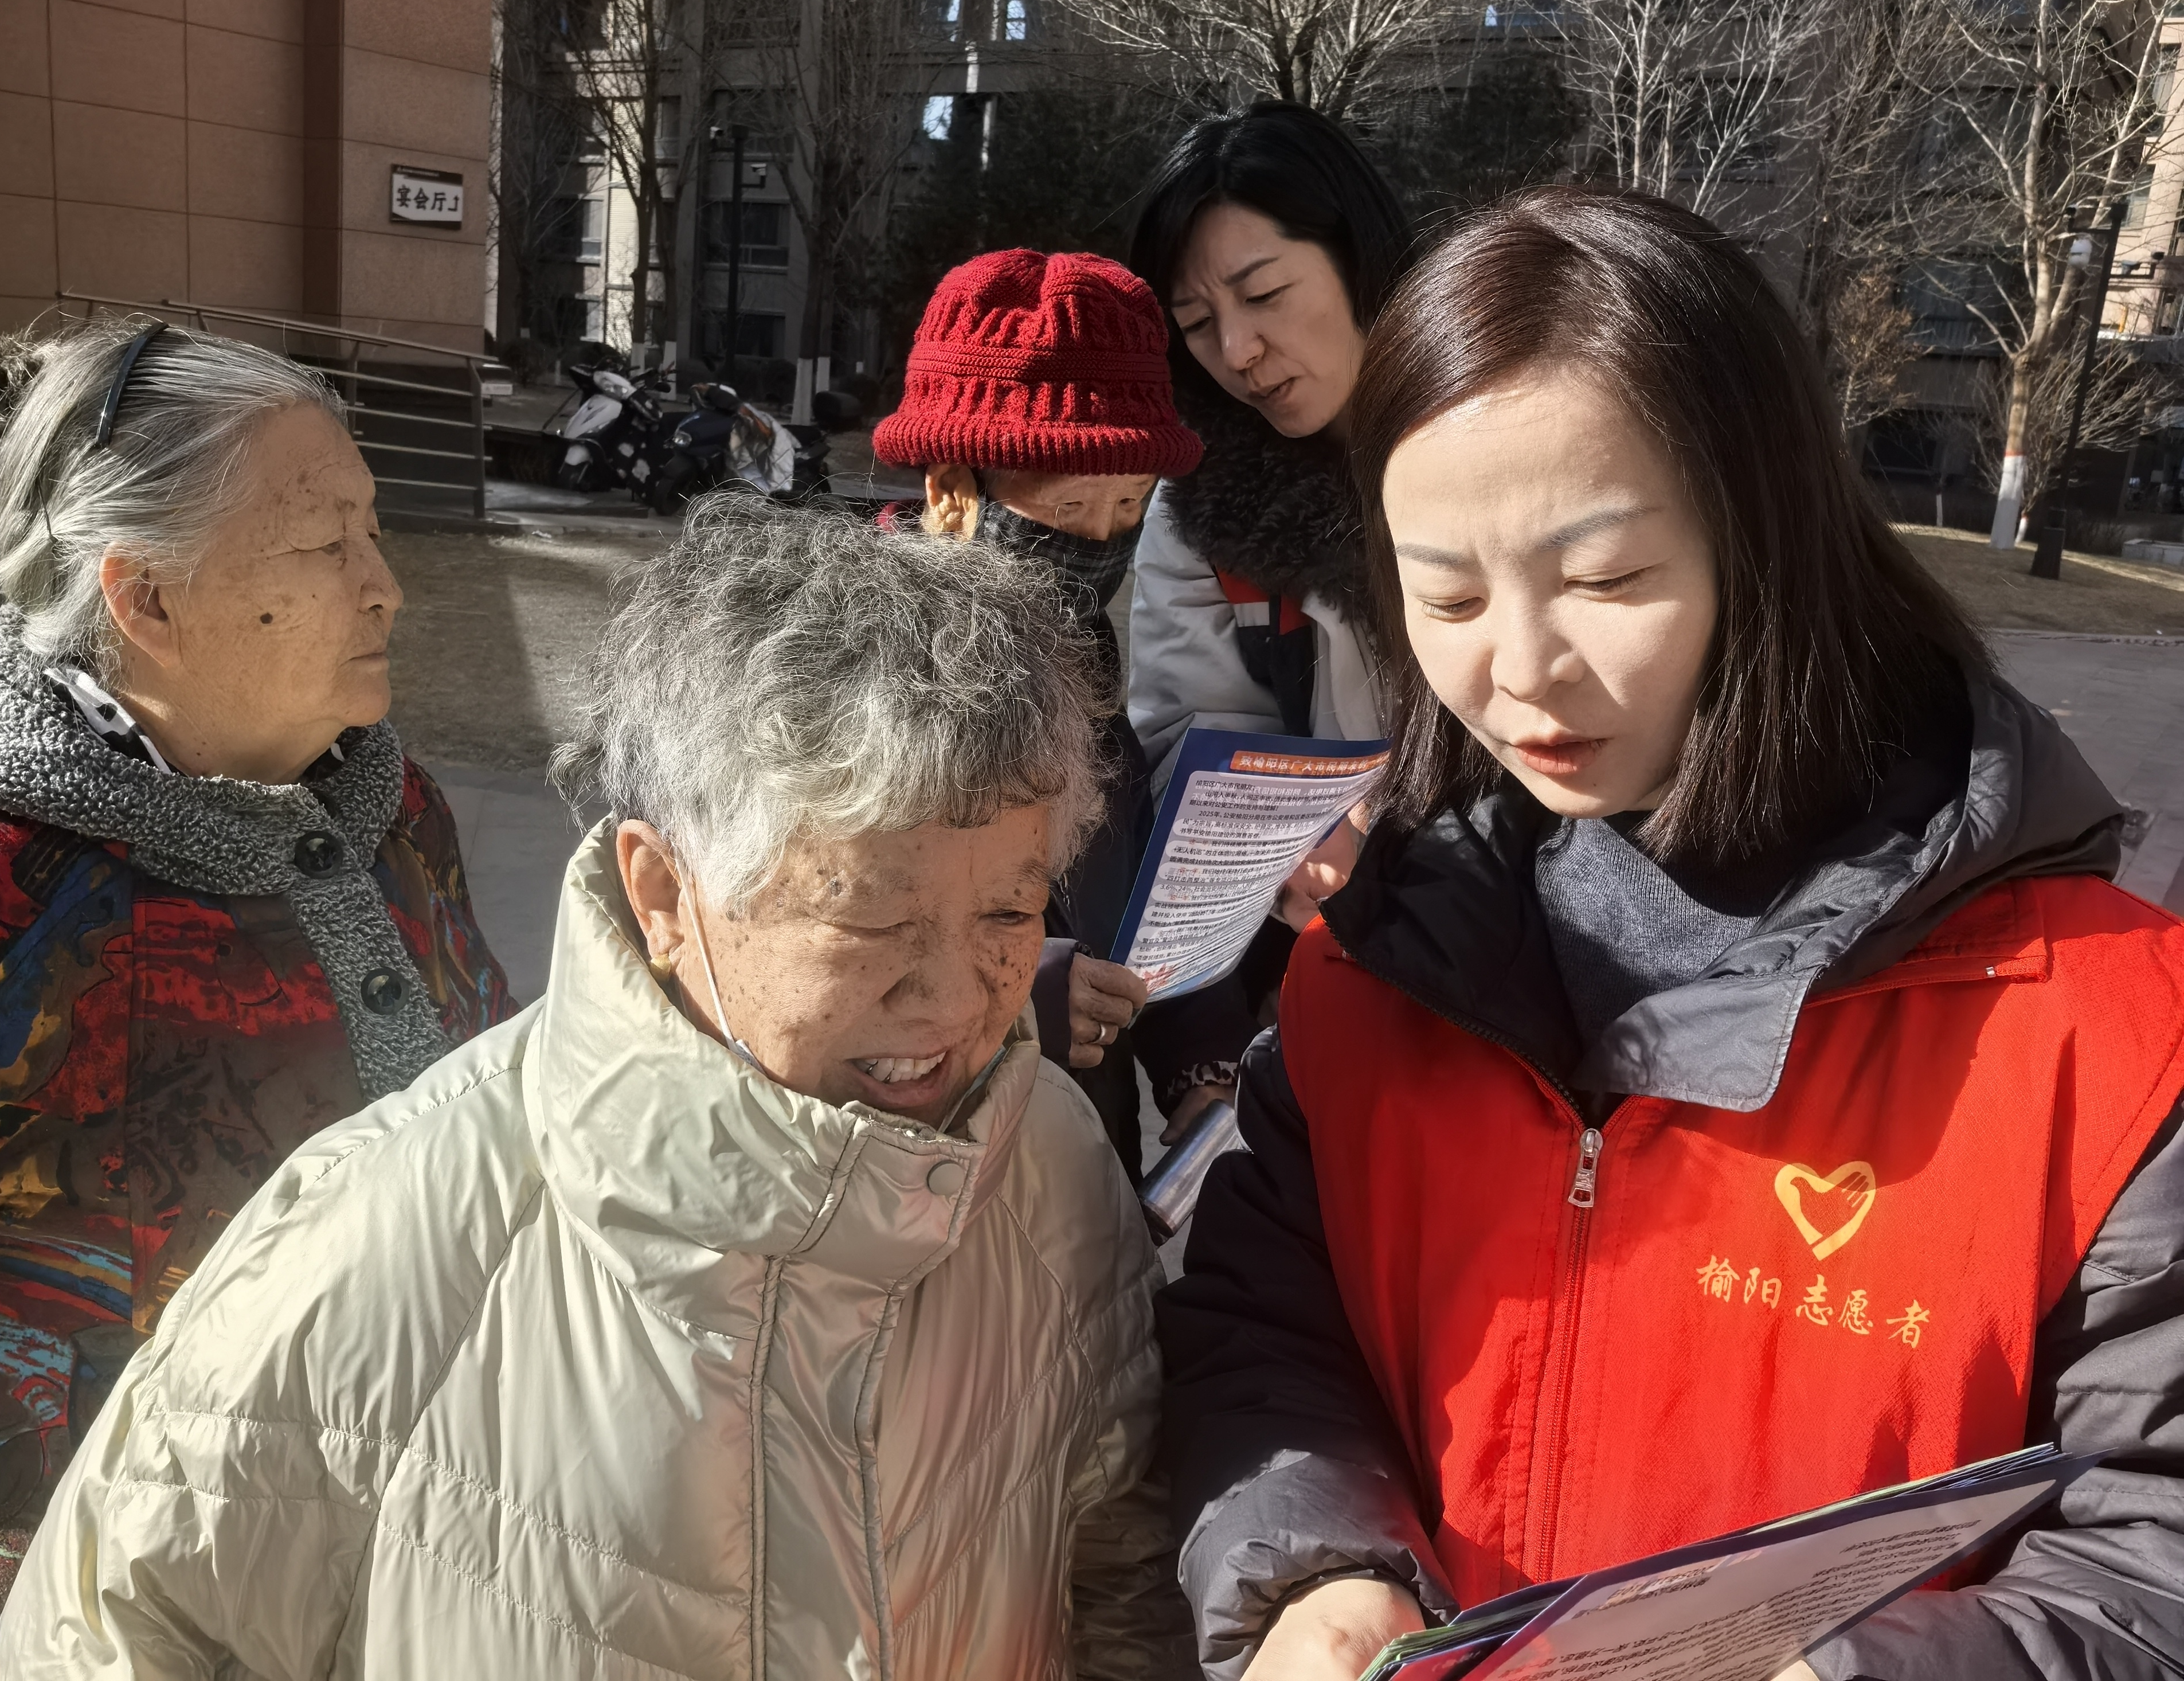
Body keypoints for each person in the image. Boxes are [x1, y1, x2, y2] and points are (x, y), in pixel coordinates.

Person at [1157, 185, 2184, 1680]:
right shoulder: (1369, 981)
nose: (1521, 671)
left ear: (1765, 542)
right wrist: (1314, 1576)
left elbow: (2150, 1541)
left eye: (1605, 579)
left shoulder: (2121, 1041)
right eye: (1447, 595)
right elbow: (1261, 1338)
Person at [0, 501, 1187, 1680]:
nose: (956, 997)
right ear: (663, 894)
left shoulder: (1050, 1166)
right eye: (869, 918)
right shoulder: (381, 1248)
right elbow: (108, 1640)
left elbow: (1120, 1576)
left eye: (1009, 911)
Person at [0, 318, 514, 1674]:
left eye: (372, 531)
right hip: (73, 1626)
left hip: (405, 1587)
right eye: (324, 546)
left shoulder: (396, 818)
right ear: (143, 597)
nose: (385, 589)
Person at [870, 247, 1245, 1178]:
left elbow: (1137, 895)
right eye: (1070, 505)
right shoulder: (840, 673)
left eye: (1130, 506)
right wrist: (1028, 995)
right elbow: (799, 933)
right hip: (911, 1169)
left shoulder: (1080, 661)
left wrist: (1199, 1063)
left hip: (1083, 1155)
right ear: (951, 490)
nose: (1101, 541)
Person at [1124, 102, 1415, 1135]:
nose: (1240, 351)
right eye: (1197, 325)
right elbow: (1193, 763)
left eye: (1263, 294)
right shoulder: (1203, 502)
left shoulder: (1497, 435)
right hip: (1324, 977)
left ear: (1358, 259)